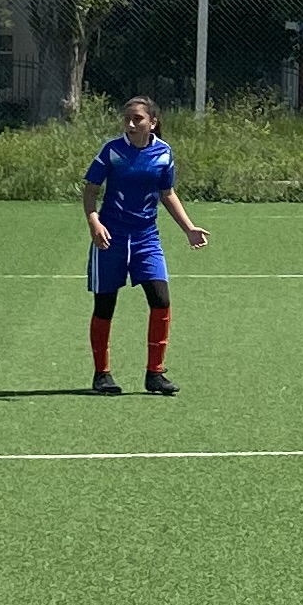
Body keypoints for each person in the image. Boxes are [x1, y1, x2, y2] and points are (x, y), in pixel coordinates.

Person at [83, 94, 208, 395]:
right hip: (110, 238)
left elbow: (167, 193)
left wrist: (189, 228)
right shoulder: (112, 151)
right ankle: (102, 374)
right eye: (127, 119)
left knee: (161, 300)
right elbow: (90, 191)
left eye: (137, 119)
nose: (130, 124)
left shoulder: (164, 154)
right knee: (105, 305)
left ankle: (155, 373)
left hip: (146, 238)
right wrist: (94, 223)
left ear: (153, 122)